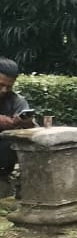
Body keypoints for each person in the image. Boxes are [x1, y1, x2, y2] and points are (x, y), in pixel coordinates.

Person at [0, 57, 37, 188]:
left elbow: (33, 131)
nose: (4, 90)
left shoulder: (16, 101)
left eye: (8, 86)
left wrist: (27, 124)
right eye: (0, 85)